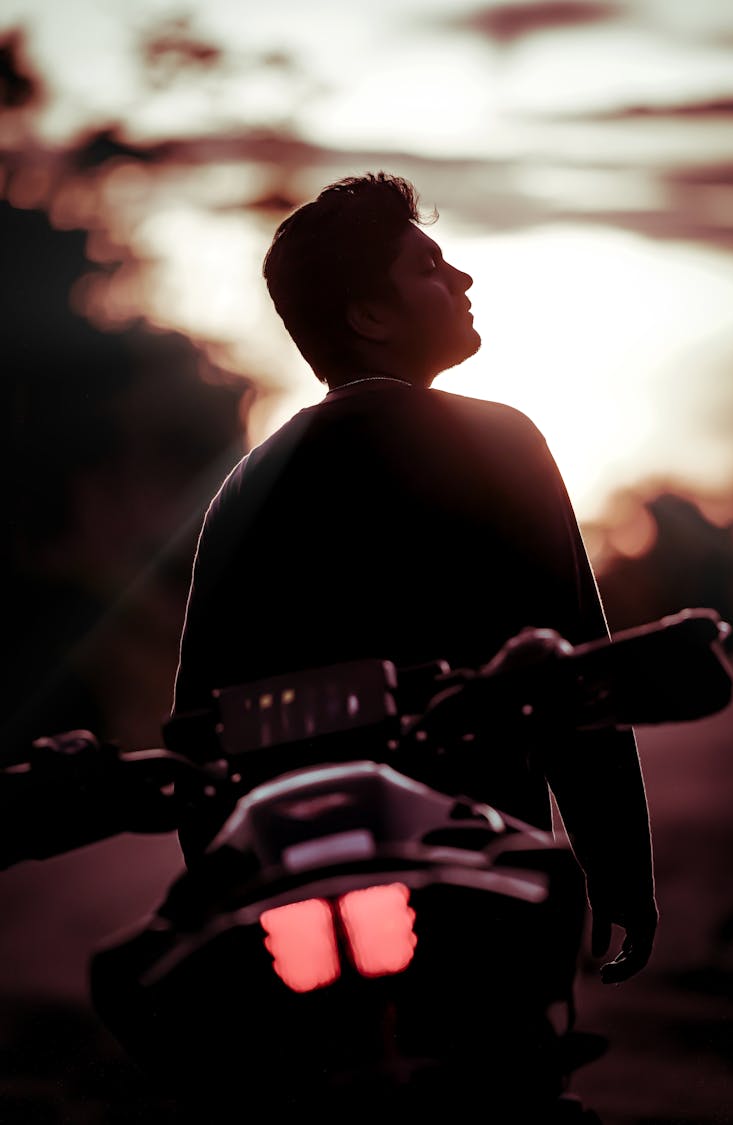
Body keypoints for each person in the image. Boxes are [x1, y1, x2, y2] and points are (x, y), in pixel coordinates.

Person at [172, 172, 657, 985]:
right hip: (480, 868)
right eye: (428, 266)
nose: (460, 278)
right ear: (369, 316)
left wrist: (226, 896)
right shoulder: (499, 441)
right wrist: (620, 870)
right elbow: (575, 671)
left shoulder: (247, 482)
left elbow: (199, 720)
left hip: (305, 901)